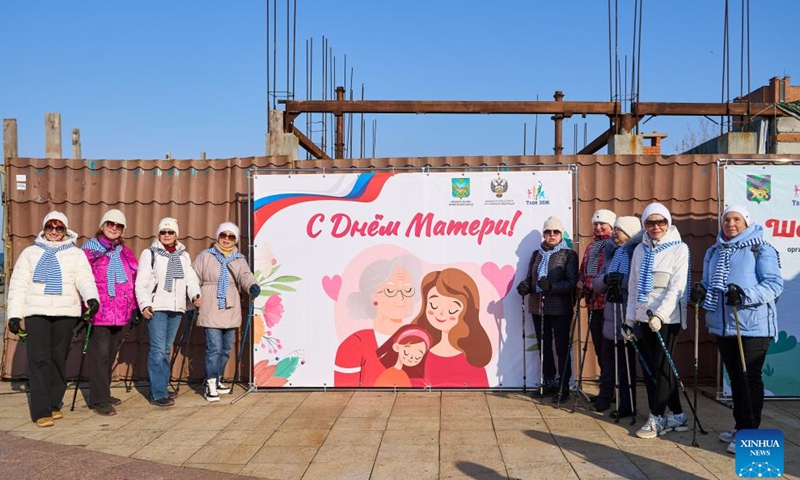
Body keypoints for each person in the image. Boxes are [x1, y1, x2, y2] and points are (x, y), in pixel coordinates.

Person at [692, 204, 782, 454]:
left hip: (752, 326)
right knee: (736, 379)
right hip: (724, 325)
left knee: (749, 378)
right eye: (726, 220)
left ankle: (749, 432)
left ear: (746, 222)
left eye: (736, 220)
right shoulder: (714, 251)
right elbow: (711, 284)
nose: (730, 224)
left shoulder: (760, 248)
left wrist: (744, 295)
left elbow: (774, 285)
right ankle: (741, 425)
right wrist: (701, 290)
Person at [6, 211, 99, 427]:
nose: (54, 232)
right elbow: (19, 285)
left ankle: (54, 403)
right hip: (36, 312)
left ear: (65, 230)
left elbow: (84, 279)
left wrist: (92, 299)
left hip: (65, 313)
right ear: (44, 228)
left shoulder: (76, 254)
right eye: (50, 227)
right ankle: (41, 410)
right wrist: (14, 315)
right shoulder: (30, 253)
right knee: (39, 360)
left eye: (59, 228)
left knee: (58, 359)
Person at [624, 202, 690, 439]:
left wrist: (661, 316)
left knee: (662, 368)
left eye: (661, 222)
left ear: (668, 223)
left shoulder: (679, 248)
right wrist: (629, 319)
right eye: (650, 223)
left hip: (667, 319)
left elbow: (677, 288)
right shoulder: (640, 250)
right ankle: (678, 415)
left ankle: (657, 418)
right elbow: (633, 286)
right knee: (655, 369)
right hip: (644, 318)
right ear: (644, 225)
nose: (656, 227)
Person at [135, 218, 201, 407]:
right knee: (157, 350)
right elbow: (141, 283)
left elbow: (191, 278)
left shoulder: (183, 256)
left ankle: (161, 386)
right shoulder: (150, 254)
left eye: (170, 232)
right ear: (158, 234)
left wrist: (195, 294)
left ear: (176, 235)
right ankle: (158, 393)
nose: (166, 235)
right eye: (163, 232)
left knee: (165, 349)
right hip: (157, 307)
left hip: (177, 308)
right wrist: (145, 305)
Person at [193, 222, 260, 402]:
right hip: (210, 304)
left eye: (231, 237)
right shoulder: (205, 256)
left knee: (226, 348)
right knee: (214, 348)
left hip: (230, 306)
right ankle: (211, 382)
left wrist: (252, 285)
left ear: (235, 239)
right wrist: (194, 295)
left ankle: (218, 377)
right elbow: (194, 277)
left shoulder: (238, 259)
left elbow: (245, 275)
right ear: (218, 236)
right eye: (224, 235)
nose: (227, 239)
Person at [82, 209, 139, 416]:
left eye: (118, 225)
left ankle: (103, 392)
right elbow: (81, 280)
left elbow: (132, 280)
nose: (114, 228)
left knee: (110, 354)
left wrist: (134, 308)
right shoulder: (89, 250)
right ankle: (99, 399)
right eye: (110, 224)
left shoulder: (124, 251)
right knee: (100, 355)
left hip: (121, 312)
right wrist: (85, 308)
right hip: (100, 312)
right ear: (103, 225)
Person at [334, 254, 422, 387]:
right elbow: (344, 395)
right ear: (372, 296)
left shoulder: (421, 341)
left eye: (407, 289)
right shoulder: (355, 344)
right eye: (390, 290)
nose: (401, 296)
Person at [516, 216, 578, 402]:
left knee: (561, 348)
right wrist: (525, 286)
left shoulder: (568, 254)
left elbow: (571, 283)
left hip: (560, 309)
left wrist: (551, 287)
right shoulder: (537, 254)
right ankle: (549, 382)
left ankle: (563, 385)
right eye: (548, 232)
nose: (552, 235)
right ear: (544, 234)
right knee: (544, 347)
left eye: (556, 232)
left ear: (561, 234)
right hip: (538, 307)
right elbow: (531, 277)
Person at [591, 216, 643, 416]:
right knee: (608, 359)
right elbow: (597, 283)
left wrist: (621, 281)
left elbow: (637, 280)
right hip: (610, 316)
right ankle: (605, 397)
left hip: (627, 314)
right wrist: (605, 279)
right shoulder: (613, 253)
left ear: (629, 233)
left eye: (619, 230)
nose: (614, 233)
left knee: (625, 364)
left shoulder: (636, 253)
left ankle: (627, 405)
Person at [413, 268, 492, 388]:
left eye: (452, 309)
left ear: (467, 311)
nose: (441, 313)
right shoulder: (414, 353)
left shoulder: (472, 362)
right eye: (433, 305)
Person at [578, 209, 617, 395]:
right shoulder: (591, 246)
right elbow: (584, 270)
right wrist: (581, 282)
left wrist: (588, 283)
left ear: (611, 226)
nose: (599, 227)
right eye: (596, 224)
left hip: (607, 305)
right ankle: (606, 389)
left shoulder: (613, 245)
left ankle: (609, 391)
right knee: (600, 350)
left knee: (608, 350)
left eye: (603, 224)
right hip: (593, 303)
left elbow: (606, 273)